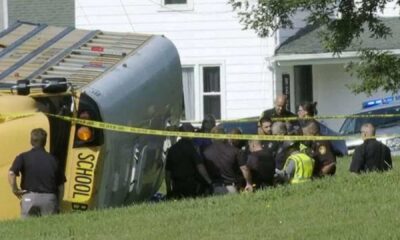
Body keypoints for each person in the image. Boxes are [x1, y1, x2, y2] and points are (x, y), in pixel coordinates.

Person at [8, 128, 65, 218]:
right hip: (49, 199)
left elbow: (11, 173)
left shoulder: (23, 157)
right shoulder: (53, 159)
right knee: (49, 229)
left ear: (31, 141)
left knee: (27, 229)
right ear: (45, 142)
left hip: (29, 198)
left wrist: (15, 190)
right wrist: (59, 203)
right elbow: (61, 185)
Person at [165, 123, 212, 199]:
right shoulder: (192, 148)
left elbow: (167, 172)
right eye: (192, 131)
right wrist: (209, 182)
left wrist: (168, 189)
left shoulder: (172, 149)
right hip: (191, 186)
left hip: (176, 186)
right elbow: (200, 167)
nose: (194, 133)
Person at [203, 126, 253, 194]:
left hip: (214, 188)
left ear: (211, 137)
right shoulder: (235, 151)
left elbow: (202, 169)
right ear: (224, 136)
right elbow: (244, 168)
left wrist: (209, 182)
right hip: (231, 188)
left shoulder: (205, 152)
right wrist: (249, 183)